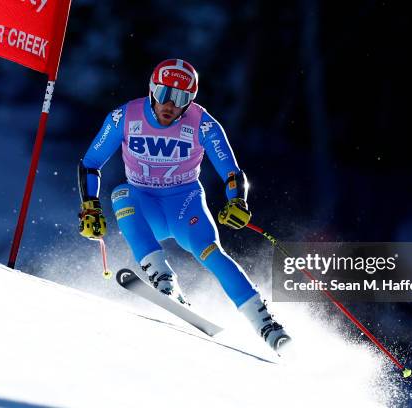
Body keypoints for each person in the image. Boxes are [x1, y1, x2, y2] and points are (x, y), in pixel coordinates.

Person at [77, 58, 290, 351]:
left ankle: (266, 324)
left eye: (181, 98)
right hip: (143, 203)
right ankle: (164, 279)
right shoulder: (124, 117)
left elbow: (231, 171)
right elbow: (90, 164)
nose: (170, 104)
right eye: (165, 94)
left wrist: (237, 200)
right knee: (120, 195)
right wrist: (89, 206)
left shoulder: (203, 124)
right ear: (152, 91)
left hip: (184, 204)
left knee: (210, 252)